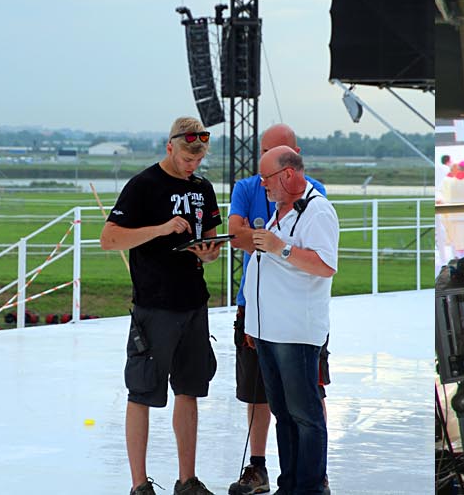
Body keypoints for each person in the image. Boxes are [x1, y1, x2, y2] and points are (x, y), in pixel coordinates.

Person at [102, 117, 224, 495]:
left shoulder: (202, 188)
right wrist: (160, 228)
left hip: (194, 302)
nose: (192, 166)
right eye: (187, 158)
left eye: (198, 160)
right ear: (169, 147)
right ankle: (139, 485)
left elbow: (212, 245)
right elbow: (109, 239)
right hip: (155, 305)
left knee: (190, 390)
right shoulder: (143, 185)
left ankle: (187, 480)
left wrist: (209, 253)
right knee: (141, 392)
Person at [226, 123, 329, 495]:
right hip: (268, 329)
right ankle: (290, 483)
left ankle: (311, 484)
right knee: (284, 413)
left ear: (287, 173)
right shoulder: (280, 210)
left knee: (305, 413)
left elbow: (324, 264)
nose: (262, 184)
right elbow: (239, 238)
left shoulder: (317, 209)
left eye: (267, 177)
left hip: (295, 331)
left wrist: (278, 247)